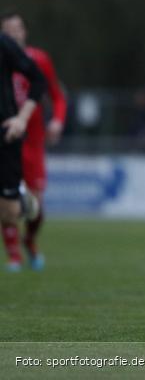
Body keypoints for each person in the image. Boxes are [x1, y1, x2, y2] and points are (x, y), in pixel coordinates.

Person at [1, 11, 63, 272]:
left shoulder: (32, 58)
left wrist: (55, 120)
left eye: (19, 28)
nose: (15, 33)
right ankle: (14, 256)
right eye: (10, 29)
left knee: (20, 210)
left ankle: (28, 233)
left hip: (24, 137)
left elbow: (53, 93)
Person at [0, 29, 47, 272]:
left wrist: (22, 118)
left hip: (5, 134)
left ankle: (18, 196)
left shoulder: (4, 45)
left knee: (9, 215)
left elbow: (38, 79)